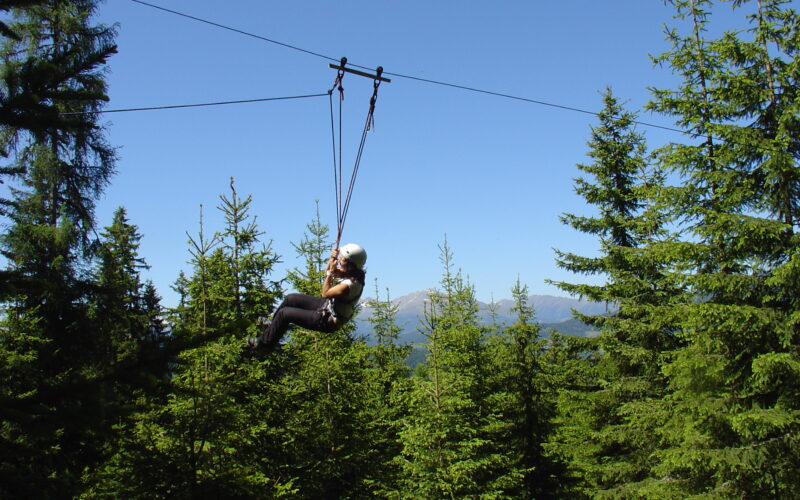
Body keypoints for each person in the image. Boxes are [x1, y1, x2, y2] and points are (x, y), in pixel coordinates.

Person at [247, 243, 367, 351]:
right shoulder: (353, 273)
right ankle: (272, 331)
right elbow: (331, 270)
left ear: (350, 263)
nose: (340, 260)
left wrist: (330, 273)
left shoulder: (349, 285)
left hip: (328, 320)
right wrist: (332, 259)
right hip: (328, 308)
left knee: (285, 313)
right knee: (291, 298)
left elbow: (325, 293)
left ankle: (264, 344)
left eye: (343, 258)